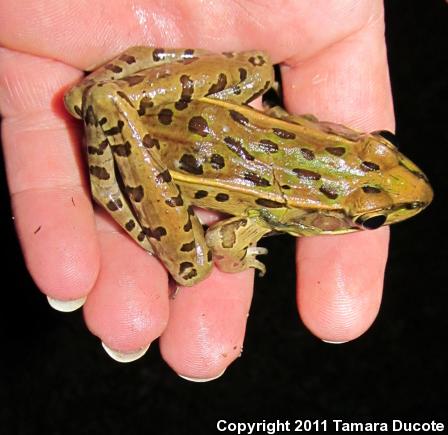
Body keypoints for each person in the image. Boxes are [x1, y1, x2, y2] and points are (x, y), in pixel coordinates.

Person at [0, 0, 393, 381]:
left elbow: (280, 115)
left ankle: (109, 103)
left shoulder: (315, 130)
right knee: (194, 268)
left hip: (193, 113)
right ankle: (110, 127)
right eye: (380, 144)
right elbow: (223, 238)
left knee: (256, 72)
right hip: (162, 158)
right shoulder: (281, 211)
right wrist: (239, 255)